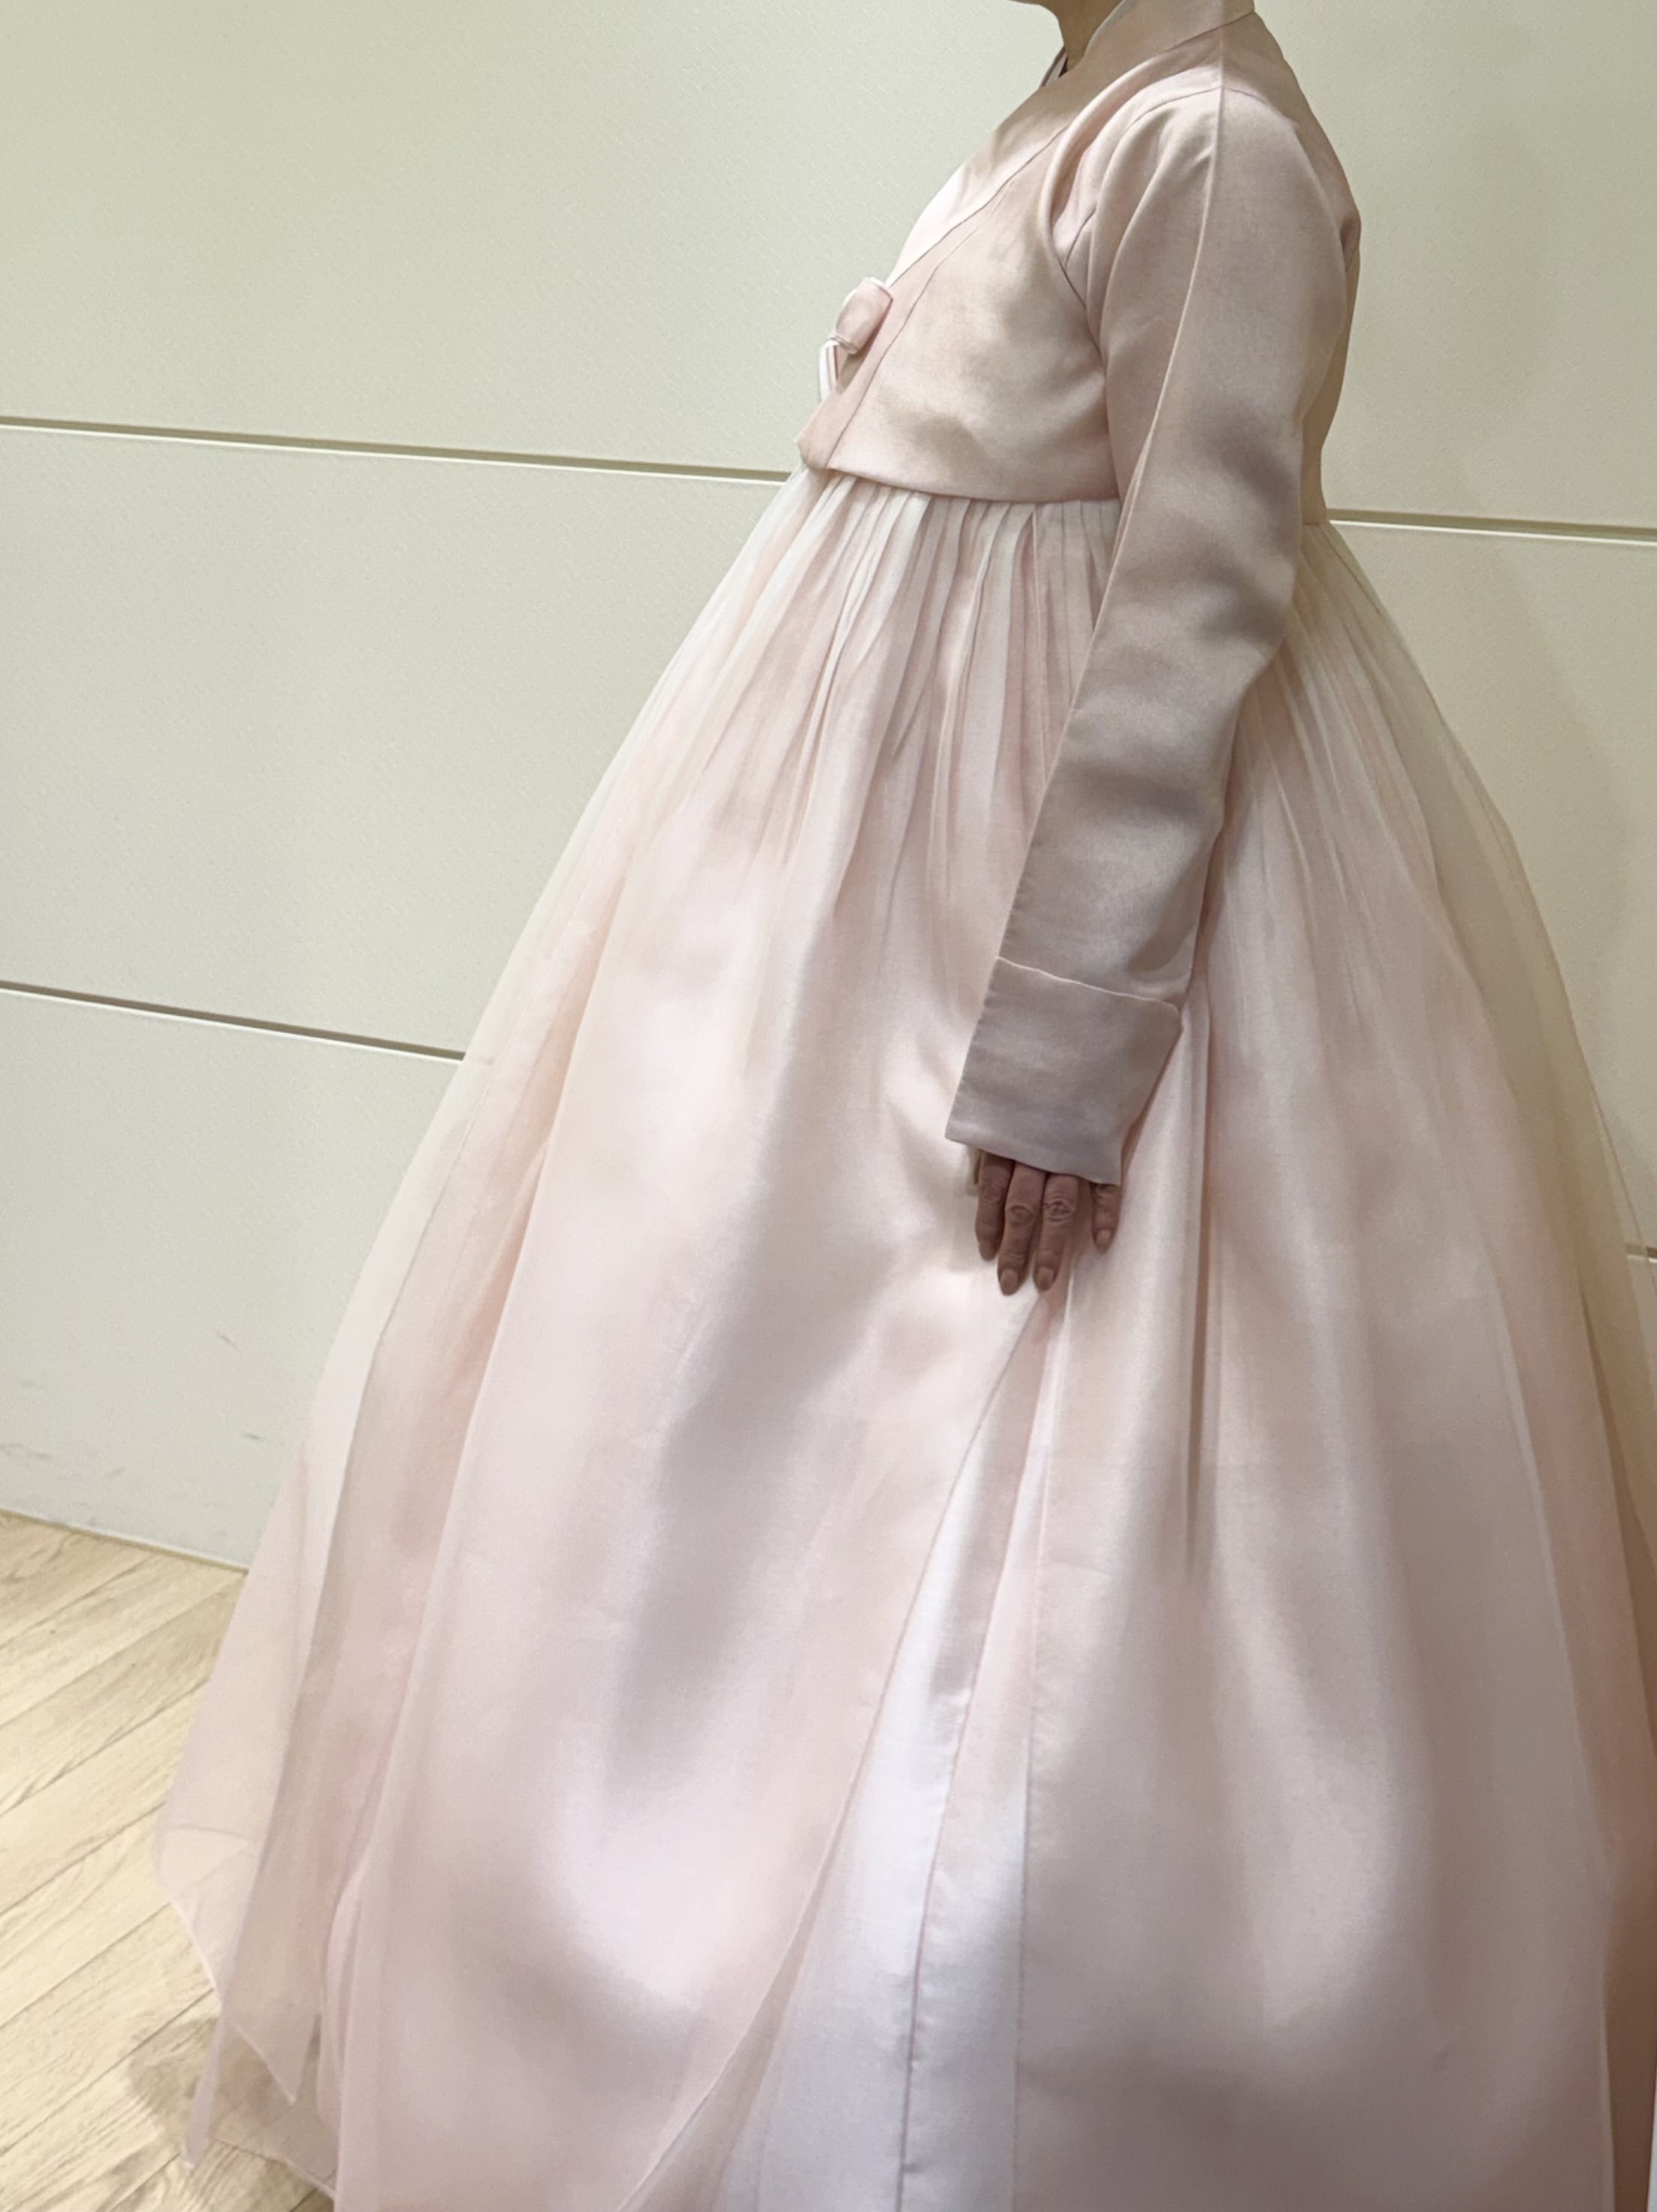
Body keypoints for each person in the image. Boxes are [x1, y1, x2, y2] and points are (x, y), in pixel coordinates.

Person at [154, 0, 1657, 2204]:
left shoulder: (1206, 139)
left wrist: (1070, 1023)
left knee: (1040, 1463)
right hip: (852, 884)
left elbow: (1197, 595)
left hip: (1033, 886)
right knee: (706, 1406)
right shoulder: (1072, 107)